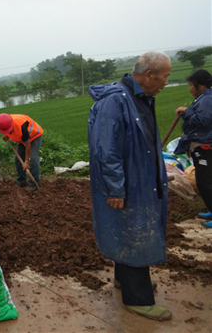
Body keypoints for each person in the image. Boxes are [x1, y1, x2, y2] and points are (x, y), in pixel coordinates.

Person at [88, 51, 172, 321]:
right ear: (149, 75)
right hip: (127, 181)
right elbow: (107, 150)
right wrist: (114, 188)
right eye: (165, 76)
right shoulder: (116, 102)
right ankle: (138, 298)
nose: (166, 82)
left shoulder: (139, 98)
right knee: (133, 229)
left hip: (140, 177)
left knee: (127, 228)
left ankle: (124, 279)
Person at [174, 69, 212, 228]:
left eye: (191, 85)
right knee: (204, 181)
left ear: (201, 85)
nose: (190, 88)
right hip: (199, 147)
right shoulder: (202, 98)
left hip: (205, 147)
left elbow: (203, 120)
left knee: (206, 182)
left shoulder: (206, 99)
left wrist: (186, 111)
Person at [0, 113, 43, 190]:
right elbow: (6, 129)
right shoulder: (0, 122)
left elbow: (28, 146)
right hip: (22, 139)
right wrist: (7, 135)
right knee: (18, 159)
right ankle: (21, 181)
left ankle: (34, 184)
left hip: (34, 136)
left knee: (33, 159)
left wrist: (26, 162)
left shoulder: (22, 127)